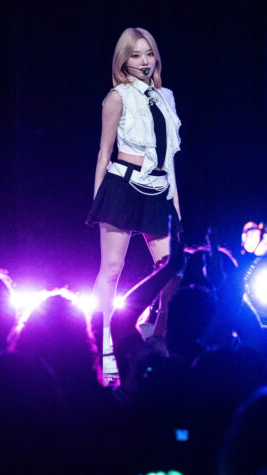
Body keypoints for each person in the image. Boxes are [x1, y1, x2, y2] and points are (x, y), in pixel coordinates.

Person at [87, 27, 182, 320]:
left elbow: (169, 158)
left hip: (159, 188)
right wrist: (99, 200)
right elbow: (104, 151)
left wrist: (176, 204)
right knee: (112, 268)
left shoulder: (166, 96)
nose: (144, 61)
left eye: (149, 53)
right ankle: (98, 338)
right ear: (124, 61)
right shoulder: (118, 96)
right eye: (136, 55)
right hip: (123, 186)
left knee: (171, 268)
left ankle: (164, 333)